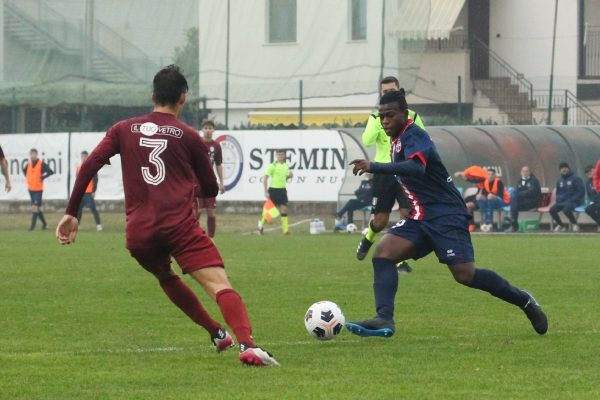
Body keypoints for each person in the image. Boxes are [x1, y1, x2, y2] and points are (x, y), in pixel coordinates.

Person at [55, 65, 278, 367]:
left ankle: (216, 332)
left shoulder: (123, 129)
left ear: (152, 96)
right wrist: (186, 182)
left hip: (140, 231)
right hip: (179, 226)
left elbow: (90, 165)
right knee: (219, 285)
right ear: (183, 98)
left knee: (165, 275)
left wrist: (72, 212)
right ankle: (247, 345)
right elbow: (210, 187)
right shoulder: (189, 136)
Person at [345, 90, 547, 338]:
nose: (385, 120)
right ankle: (384, 318)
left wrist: (375, 166)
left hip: (446, 215)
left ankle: (524, 300)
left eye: (390, 115)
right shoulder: (397, 142)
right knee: (384, 253)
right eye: (381, 116)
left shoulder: (415, 135)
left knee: (465, 275)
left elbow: (417, 167)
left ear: (405, 115)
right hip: (420, 217)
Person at [357, 76, 425, 274]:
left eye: (391, 90)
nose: (387, 94)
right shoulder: (376, 117)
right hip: (383, 171)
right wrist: (382, 121)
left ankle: (397, 259)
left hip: (404, 170)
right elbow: (367, 140)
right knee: (380, 221)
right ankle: (368, 237)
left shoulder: (412, 115)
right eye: (384, 92)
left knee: (407, 214)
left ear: (400, 91)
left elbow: (423, 139)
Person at [196, 119, 225, 238]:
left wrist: (221, 182)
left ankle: (211, 238)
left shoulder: (216, 146)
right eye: (205, 128)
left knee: (211, 212)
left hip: (210, 182)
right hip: (197, 182)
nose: (208, 130)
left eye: (210, 128)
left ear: (213, 130)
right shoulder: (197, 144)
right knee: (198, 211)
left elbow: (218, 164)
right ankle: (194, 235)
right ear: (202, 130)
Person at [258, 149, 293, 235]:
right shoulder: (272, 166)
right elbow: (265, 178)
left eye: (282, 155)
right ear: (276, 156)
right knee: (270, 212)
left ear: (284, 156)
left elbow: (284, 178)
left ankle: (285, 231)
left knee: (284, 209)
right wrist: (266, 191)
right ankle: (260, 224)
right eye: (279, 154)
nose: (280, 156)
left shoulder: (285, 166)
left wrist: (289, 176)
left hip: (282, 190)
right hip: (273, 190)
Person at [24, 148, 54, 230]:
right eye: (31, 154)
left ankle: (32, 228)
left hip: (38, 189)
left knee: (34, 208)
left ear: (36, 155)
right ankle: (44, 224)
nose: (33, 156)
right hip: (31, 189)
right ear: (30, 155)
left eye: (34, 154)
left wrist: (43, 177)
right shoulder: (28, 165)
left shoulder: (41, 164)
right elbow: (25, 172)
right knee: (36, 208)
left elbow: (51, 171)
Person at [504, 166, 541, 233]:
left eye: (527, 171)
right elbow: (517, 192)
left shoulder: (534, 181)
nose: (525, 173)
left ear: (529, 172)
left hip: (532, 202)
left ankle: (513, 223)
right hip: (523, 203)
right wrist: (516, 194)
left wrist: (518, 194)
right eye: (523, 171)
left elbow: (532, 192)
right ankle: (513, 223)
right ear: (521, 173)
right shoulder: (519, 181)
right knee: (514, 202)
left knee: (514, 201)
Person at [550, 162, 585, 232]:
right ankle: (561, 226)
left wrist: (573, 199)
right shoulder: (559, 180)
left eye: (565, 168)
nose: (564, 170)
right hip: (562, 202)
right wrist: (558, 199)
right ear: (560, 170)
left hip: (574, 202)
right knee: (552, 210)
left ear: (568, 168)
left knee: (566, 210)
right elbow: (558, 192)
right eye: (562, 168)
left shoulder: (575, 178)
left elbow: (581, 192)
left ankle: (575, 224)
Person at [453, 165, 487, 232]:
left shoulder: (484, 178)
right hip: (477, 197)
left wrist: (463, 175)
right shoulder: (479, 180)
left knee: (469, 206)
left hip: (482, 199)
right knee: (463, 201)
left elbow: (477, 180)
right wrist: (465, 177)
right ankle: (460, 223)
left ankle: (472, 225)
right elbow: (474, 180)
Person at [77, 151, 103, 231]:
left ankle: (98, 225)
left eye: (85, 156)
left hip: (89, 192)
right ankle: (77, 224)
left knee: (93, 209)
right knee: (79, 209)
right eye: (82, 156)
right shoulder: (78, 167)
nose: (83, 158)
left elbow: (95, 180)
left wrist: (94, 191)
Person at [583, 164, 600, 232]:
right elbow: (590, 195)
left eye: (590, 171)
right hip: (595, 201)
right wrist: (592, 201)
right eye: (587, 172)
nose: (589, 173)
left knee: (599, 207)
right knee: (588, 209)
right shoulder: (588, 183)